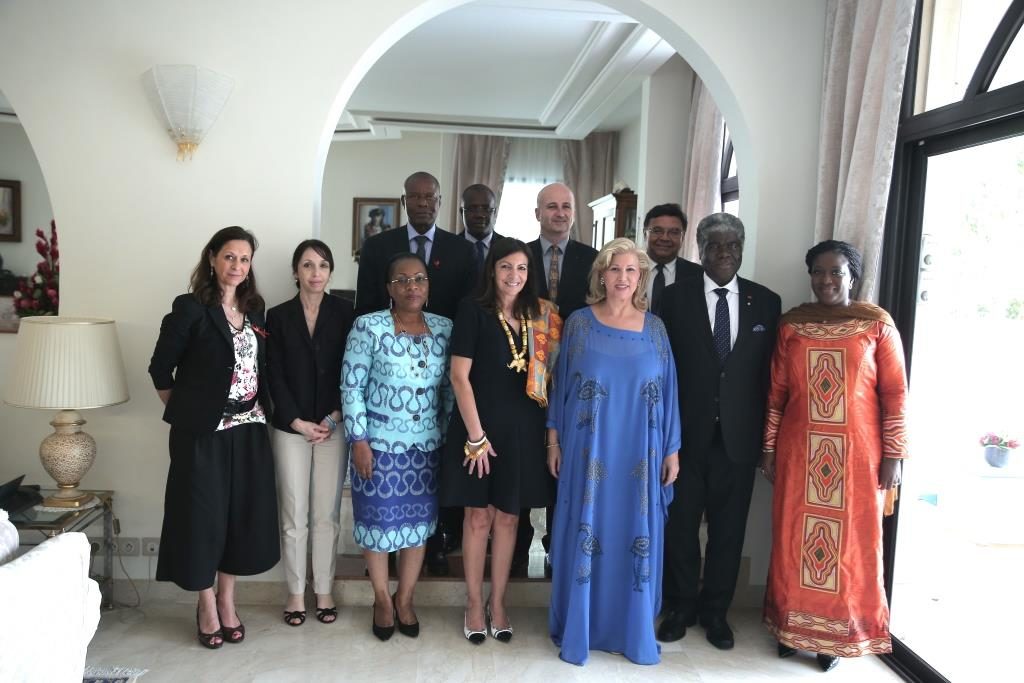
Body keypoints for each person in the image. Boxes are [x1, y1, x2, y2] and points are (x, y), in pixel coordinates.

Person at [761, 240, 907, 672]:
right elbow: (776, 395)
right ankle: (791, 627)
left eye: (836, 273)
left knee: (849, 547)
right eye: (819, 272)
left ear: (852, 277)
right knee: (793, 540)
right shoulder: (793, 325)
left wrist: (894, 457)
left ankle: (835, 638)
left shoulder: (875, 325)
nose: (826, 280)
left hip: (858, 459)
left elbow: (896, 394)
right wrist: (768, 448)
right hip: (799, 453)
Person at [546, 238, 680, 665]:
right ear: (601, 275)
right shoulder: (580, 324)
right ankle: (582, 625)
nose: (622, 278)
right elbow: (560, 386)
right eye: (614, 269)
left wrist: (672, 450)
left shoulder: (656, 328)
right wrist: (554, 440)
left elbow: (670, 393)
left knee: (632, 534)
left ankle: (629, 627)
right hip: (590, 453)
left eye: (630, 270)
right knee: (589, 528)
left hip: (640, 453)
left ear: (640, 277)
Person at [148, 226, 279, 650]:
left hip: (250, 429)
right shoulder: (190, 308)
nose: (237, 266)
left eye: (244, 259)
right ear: (212, 259)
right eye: (229, 257)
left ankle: (227, 601)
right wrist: (189, 412)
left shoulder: (256, 310)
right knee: (202, 518)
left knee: (238, 517)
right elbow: (160, 369)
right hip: (202, 435)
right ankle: (205, 605)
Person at [658, 213, 781, 650]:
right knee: (681, 528)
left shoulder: (767, 302)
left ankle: (715, 613)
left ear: (742, 250)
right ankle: (680, 607)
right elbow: (661, 369)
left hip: (738, 441)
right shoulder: (673, 300)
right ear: (701, 250)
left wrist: (768, 442)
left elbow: (771, 377)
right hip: (684, 439)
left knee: (729, 532)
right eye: (715, 246)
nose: (724, 253)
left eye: (732, 246)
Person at [439, 238, 561, 645]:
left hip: (524, 430)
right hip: (479, 429)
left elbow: (550, 378)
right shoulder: (473, 311)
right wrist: (475, 436)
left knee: (510, 517)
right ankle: (474, 602)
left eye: (522, 269)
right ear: (492, 270)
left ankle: (500, 601)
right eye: (506, 267)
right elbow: (459, 377)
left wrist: (548, 439)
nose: (514, 276)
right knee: (478, 518)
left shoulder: (540, 315)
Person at [354, 171, 474, 575]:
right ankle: (383, 588)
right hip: (384, 393)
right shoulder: (378, 246)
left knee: (429, 510)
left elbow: (470, 311)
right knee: (379, 513)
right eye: (416, 197)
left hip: (439, 383)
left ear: (441, 201)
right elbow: (363, 307)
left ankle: (436, 549)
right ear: (404, 201)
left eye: (431, 197)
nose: (423, 202)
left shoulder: (460, 249)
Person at [341, 252, 454, 641]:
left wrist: (452, 437)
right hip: (379, 447)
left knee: (417, 528)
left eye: (419, 279)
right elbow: (352, 386)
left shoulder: (444, 329)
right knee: (377, 527)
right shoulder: (368, 327)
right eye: (402, 280)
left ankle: (404, 598)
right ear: (389, 288)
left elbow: (450, 391)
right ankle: (381, 600)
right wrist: (358, 440)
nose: (412, 287)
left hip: (426, 448)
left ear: (428, 286)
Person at [266, 239, 354, 627]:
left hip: (333, 425)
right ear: (296, 272)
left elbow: (351, 370)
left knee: (326, 514)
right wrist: (296, 421)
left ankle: (324, 591)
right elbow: (272, 374)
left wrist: (334, 416)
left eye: (322, 265)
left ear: (331, 272)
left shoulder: (346, 313)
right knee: (293, 513)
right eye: (307, 265)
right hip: (291, 428)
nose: (315, 273)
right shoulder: (277, 316)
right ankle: (296, 593)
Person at [525, 182, 598, 572]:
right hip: (524, 377)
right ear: (537, 213)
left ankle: (559, 548)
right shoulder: (519, 256)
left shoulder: (593, 260)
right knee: (524, 460)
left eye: (566, 206)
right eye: (551, 206)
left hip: (575, 379)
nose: (559, 213)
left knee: (564, 465)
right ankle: (518, 548)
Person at [642, 203, 703, 316]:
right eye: (657, 231)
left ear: (683, 237)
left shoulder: (699, 275)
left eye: (674, 232)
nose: (665, 238)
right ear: (645, 234)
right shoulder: (626, 270)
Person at [457, 183, 505, 275]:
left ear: (494, 213)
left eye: (486, 208)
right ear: (461, 212)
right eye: (473, 208)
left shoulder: (507, 249)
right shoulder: (450, 248)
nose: (479, 215)